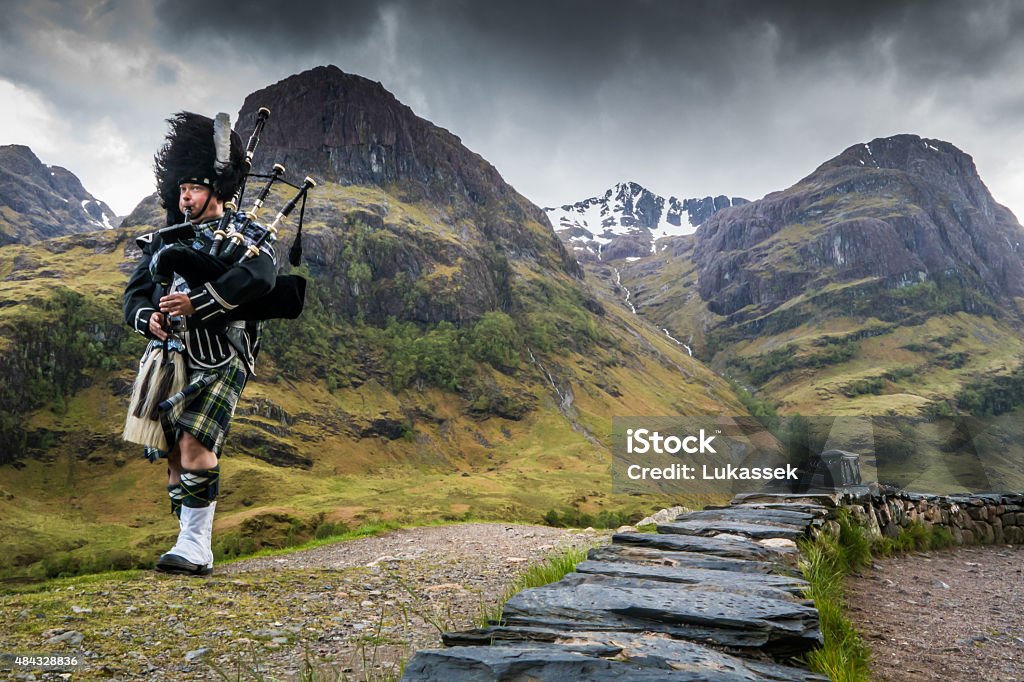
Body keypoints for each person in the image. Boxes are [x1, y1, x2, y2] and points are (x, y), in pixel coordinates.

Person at [123, 111, 275, 576]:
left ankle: (196, 546)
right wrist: (149, 319)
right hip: (168, 355)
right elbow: (134, 295)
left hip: (222, 351)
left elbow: (260, 277)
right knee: (170, 448)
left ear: (216, 187)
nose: (183, 196)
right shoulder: (165, 238)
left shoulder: (249, 235)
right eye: (181, 188)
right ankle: (189, 539)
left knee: (195, 440)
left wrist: (198, 306)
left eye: (192, 187)